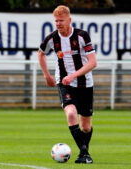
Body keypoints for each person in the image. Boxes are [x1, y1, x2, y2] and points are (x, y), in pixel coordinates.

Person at [38, 5, 97, 164]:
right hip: (64, 83)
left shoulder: (82, 36)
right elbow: (41, 53)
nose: (58, 24)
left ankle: (84, 153)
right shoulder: (52, 38)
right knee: (71, 113)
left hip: (85, 84)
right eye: (56, 21)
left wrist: (74, 75)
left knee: (85, 126)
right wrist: (47, 75)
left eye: (61, 20)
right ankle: (84, 153)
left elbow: (93, 63)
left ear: (69, 20)